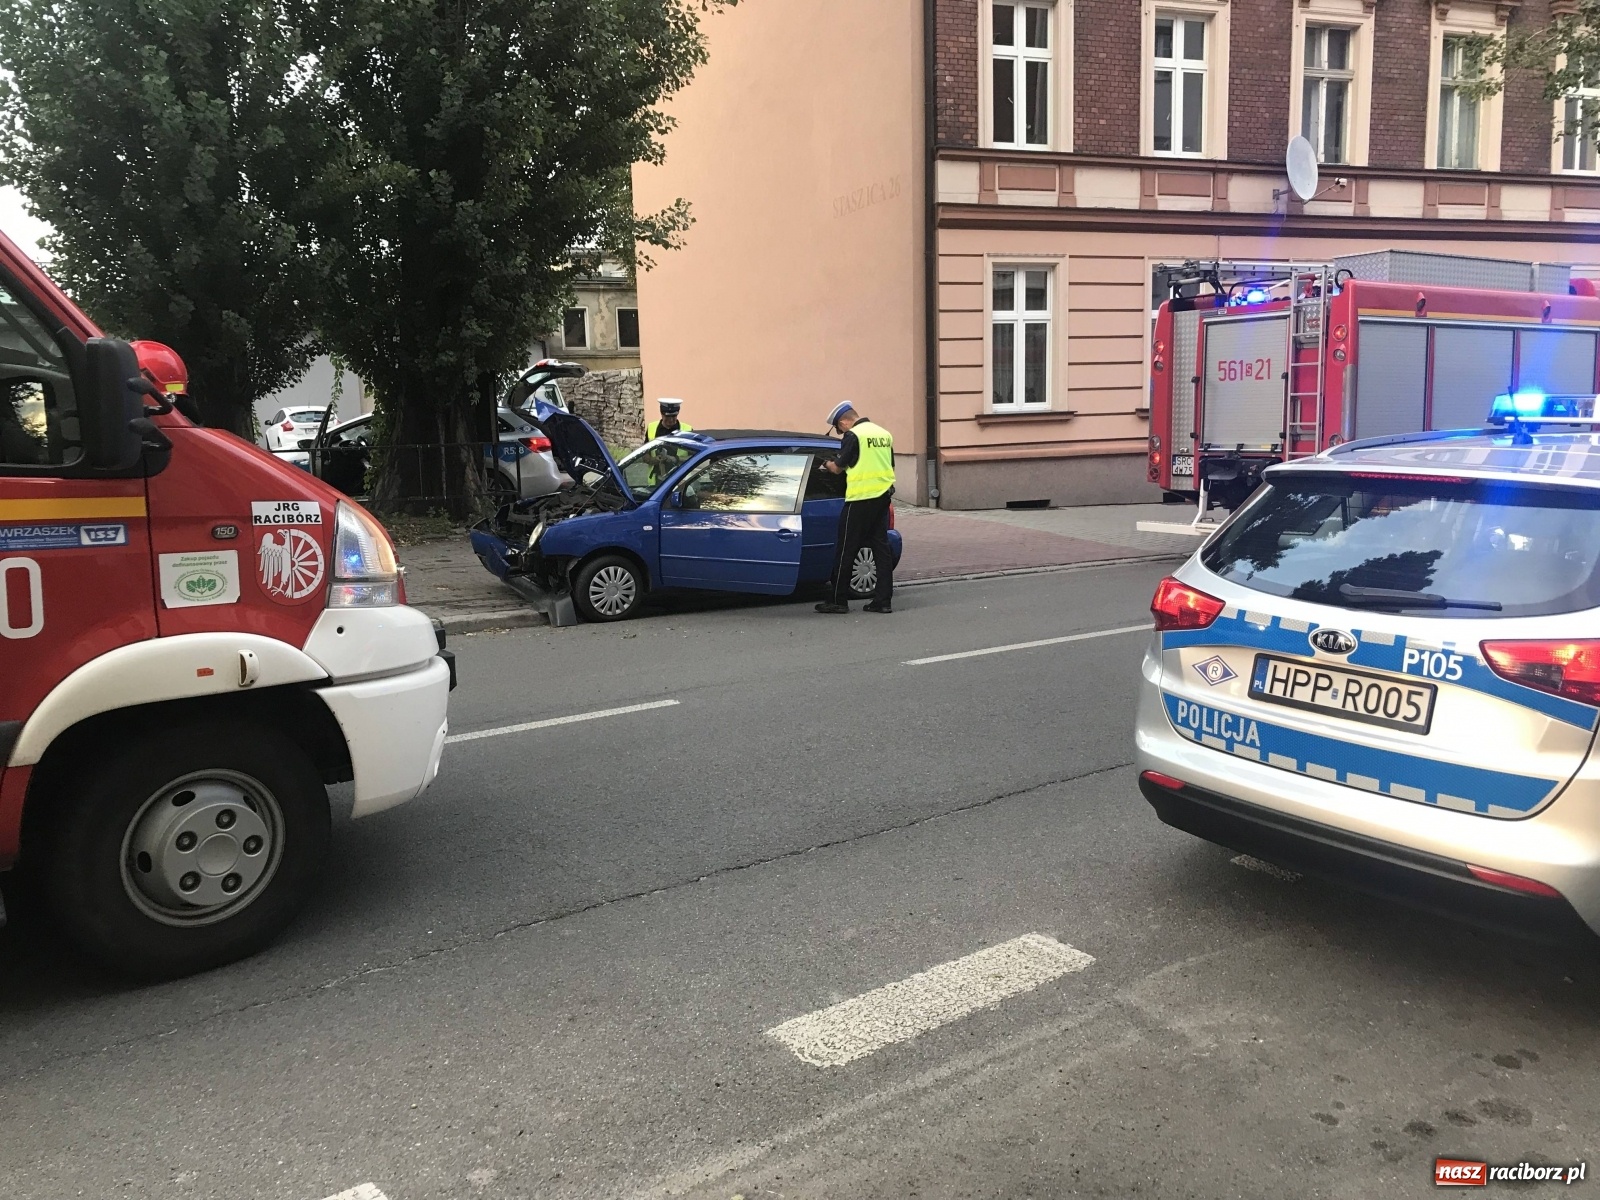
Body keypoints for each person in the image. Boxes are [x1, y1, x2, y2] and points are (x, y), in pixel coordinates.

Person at [816, 401, 895, 615]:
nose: (841, 433)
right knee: (881, 548)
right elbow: (890, 465)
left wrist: (825, 463)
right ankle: (883, 600)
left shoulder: (854, 435)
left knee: (846, 548)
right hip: (882, 497)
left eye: (839, 428)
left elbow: (838, 468)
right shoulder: (883, 433)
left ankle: (838, 601)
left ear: (844, 422)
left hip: (860, 498)